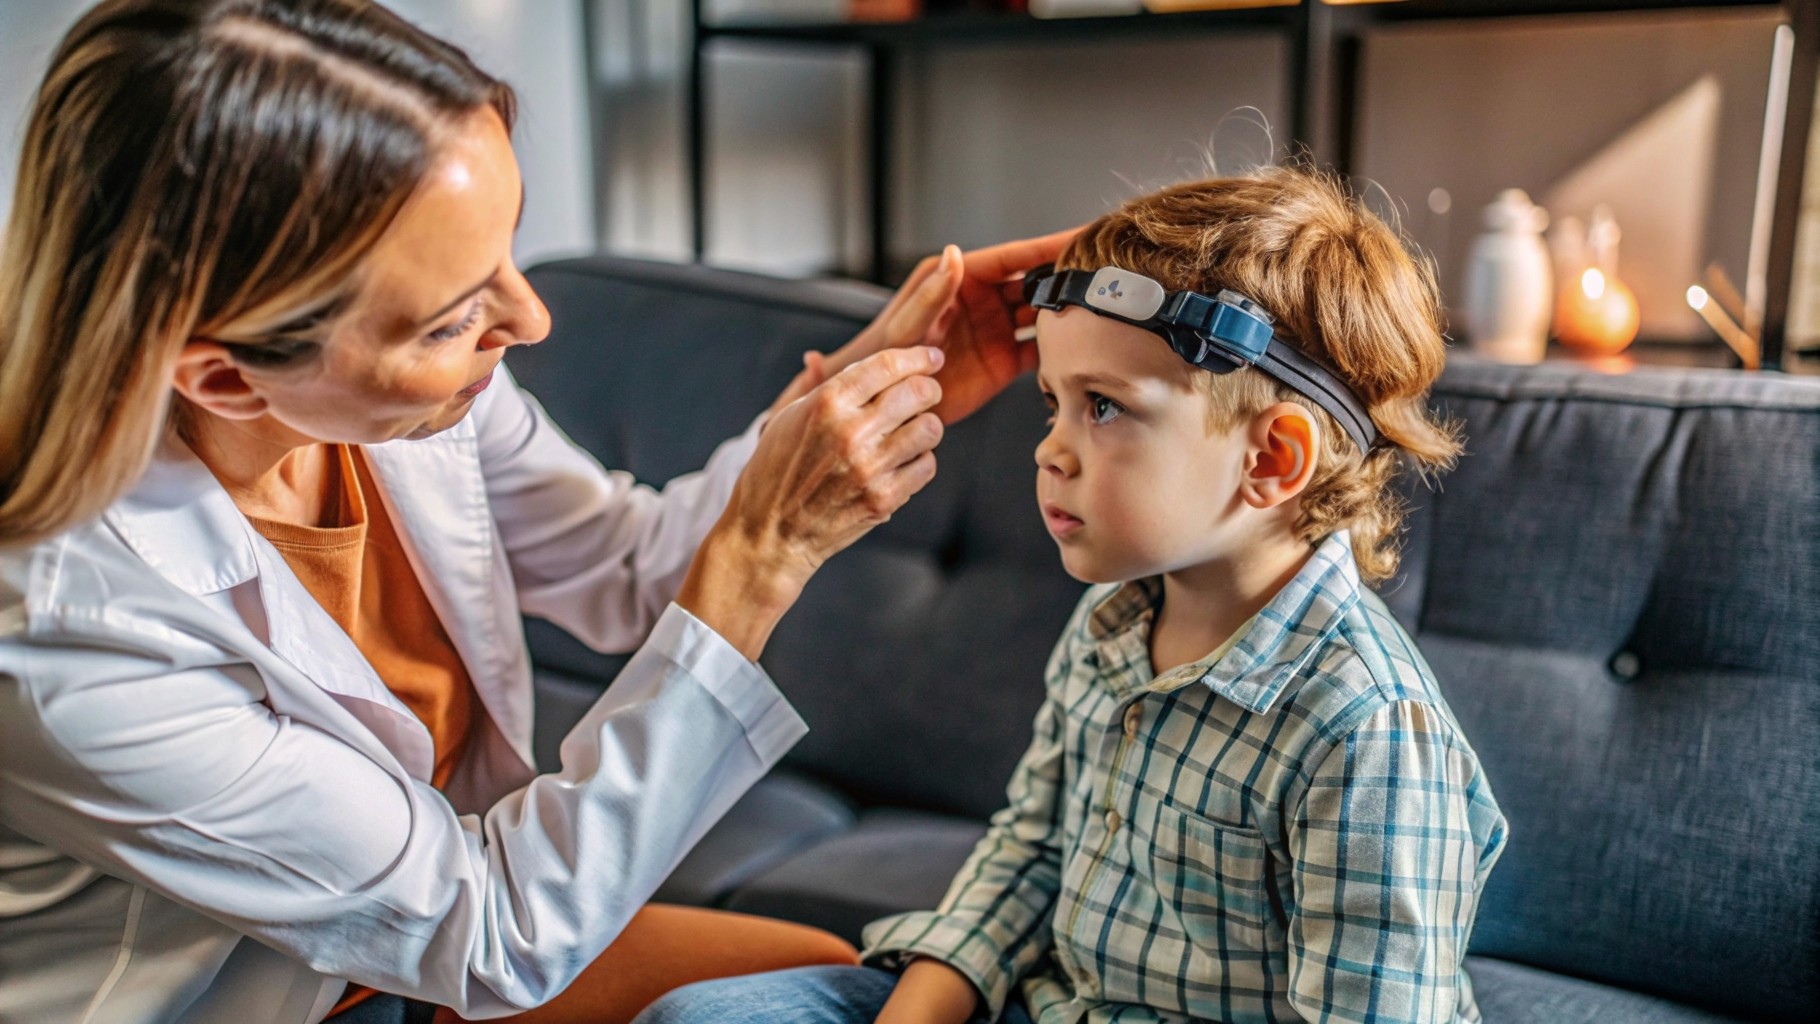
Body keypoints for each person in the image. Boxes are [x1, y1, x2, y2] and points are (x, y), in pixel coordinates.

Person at [0, 2, 1068, 1022]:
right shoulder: (67, 634)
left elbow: (624, 565)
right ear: (224, 378)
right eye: (457, 316)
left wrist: (869, 377)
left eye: (508, 250)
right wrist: (766, 551)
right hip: (272, 998)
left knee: (804, 986)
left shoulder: (413, 405)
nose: (530, 317)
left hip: (412, 956)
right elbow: (491, 934)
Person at [633, 166, 1510, 1024]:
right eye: (1053, 401)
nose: (1049, 450)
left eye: (1104, 407)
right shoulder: (1113, 620)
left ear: (1272, 460)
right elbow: (1034, 848)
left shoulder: (1366, 730)